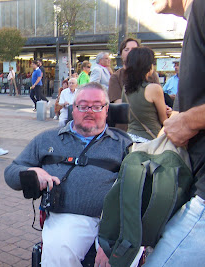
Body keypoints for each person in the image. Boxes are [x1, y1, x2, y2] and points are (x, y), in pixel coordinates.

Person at [96, 1, 203, 266]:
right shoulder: (153, 88)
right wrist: (183, 118)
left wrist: (191, 119)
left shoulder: (129, 88)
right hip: (163, 151)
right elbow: (161, 119)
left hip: (141, 148)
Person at [5, 82, 133, 267]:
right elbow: (11, 172)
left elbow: (137, 193)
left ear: (107, 110)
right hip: (67, 216)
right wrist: (31, 172)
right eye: (82, 105)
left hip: (116, 220)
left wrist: (113, 239)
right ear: (73, 109)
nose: (89, 110)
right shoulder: (47, 139)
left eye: (97, 106)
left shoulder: (124, 144)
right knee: (59, 254)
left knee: (124, 257)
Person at [121, 47, 172, 142]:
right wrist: (170, 114)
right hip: (150, 140)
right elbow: (164, 120)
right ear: (148, 66)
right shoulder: (154, 89)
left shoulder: (125, 89)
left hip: (130, 139)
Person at [108, 38, 160, 104]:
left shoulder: (151, 74)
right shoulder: (115, 77)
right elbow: (119, 104)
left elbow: (159, 99)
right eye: (126, 50)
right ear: (121, 54)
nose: (130, 52)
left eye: (134, 50)